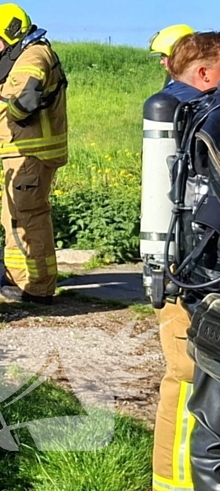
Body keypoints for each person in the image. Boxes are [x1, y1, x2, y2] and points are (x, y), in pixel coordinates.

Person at [149, 31, 220, 491]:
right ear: (205, 72)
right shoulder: (202, 116)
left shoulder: (182, 112)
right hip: (196, 278)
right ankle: (173, 484)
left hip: (183, 273)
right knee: (188, 382)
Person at [0, 3, 68, 305]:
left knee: (27, 219)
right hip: (23, 152)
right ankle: (20, 277)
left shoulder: (33, 56)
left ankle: (37, 285)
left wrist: (11, 112)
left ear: (10, 30)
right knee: (15, 218)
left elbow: (25, 101)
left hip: (30, 152)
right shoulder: (30, 52)